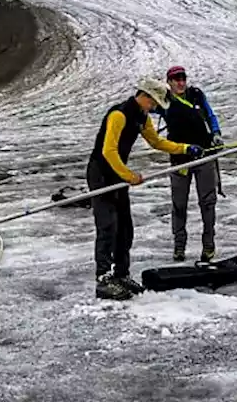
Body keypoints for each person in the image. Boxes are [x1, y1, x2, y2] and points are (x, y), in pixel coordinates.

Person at [87, 77, 204, 301]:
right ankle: (103, 278)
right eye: (154, 103)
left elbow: (157, 142)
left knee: (125, 228)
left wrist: (185, 148)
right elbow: (108, 151)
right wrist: (129, 176)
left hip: (118, 174)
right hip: (101, 174)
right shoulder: (119, 115)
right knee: (107, 226)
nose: (155, 107)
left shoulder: (142, 117)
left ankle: (121, 274)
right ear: (145, 96)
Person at [154, 65, 223, 263]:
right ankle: (179, 246)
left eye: (183, 78)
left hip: (204, 155)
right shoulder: (164, 101)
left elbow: (210, 115)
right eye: (176, 79)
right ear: (169, 82)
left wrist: (216, 133)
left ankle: (208, 246)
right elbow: (147, 109)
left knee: (207, 203)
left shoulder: (196, 95)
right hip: (179, 158)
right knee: (179, 204)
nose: (181, 82)